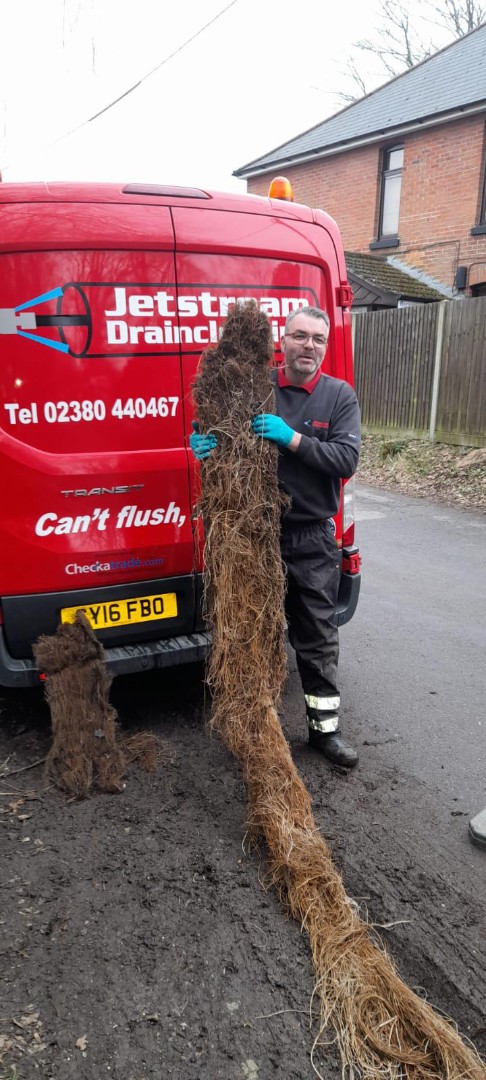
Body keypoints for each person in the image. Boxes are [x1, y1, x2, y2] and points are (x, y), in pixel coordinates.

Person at [190, 305, 361, 767]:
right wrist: (202, 443)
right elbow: (220, 430)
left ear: (326, 347)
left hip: (310, 538)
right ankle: (256, 728)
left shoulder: (337, 396)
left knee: (316, 635)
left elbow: (346, 460)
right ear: (281, 342)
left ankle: (325, 732)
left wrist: (292, 439)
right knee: (254, 631)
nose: (309, 346)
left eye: (318, 339)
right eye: (300, 336)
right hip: (256, 534)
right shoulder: (255, 385)